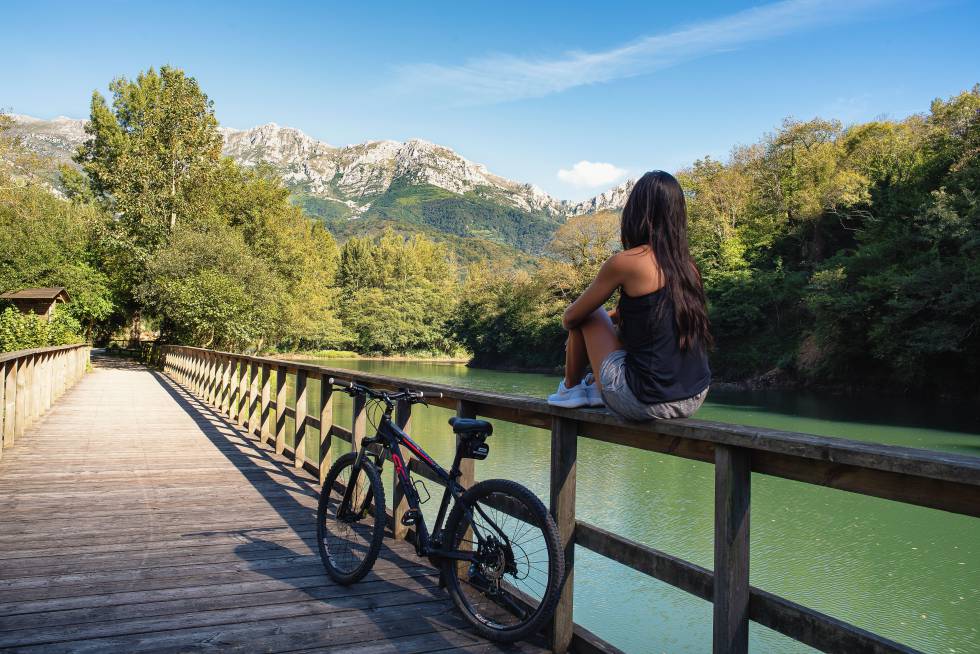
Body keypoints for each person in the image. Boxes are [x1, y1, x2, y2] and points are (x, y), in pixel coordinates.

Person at [547, 170, 711, 420]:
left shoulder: (626, 262)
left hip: (645, 400)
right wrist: (610, 325)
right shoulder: (689, 268)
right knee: (609, 320)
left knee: (588, 313)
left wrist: (584, 334)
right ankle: (591, 384)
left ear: (636, 212)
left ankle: (571, 389)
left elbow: (571, 318)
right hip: (694, 395)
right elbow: (650, 316)